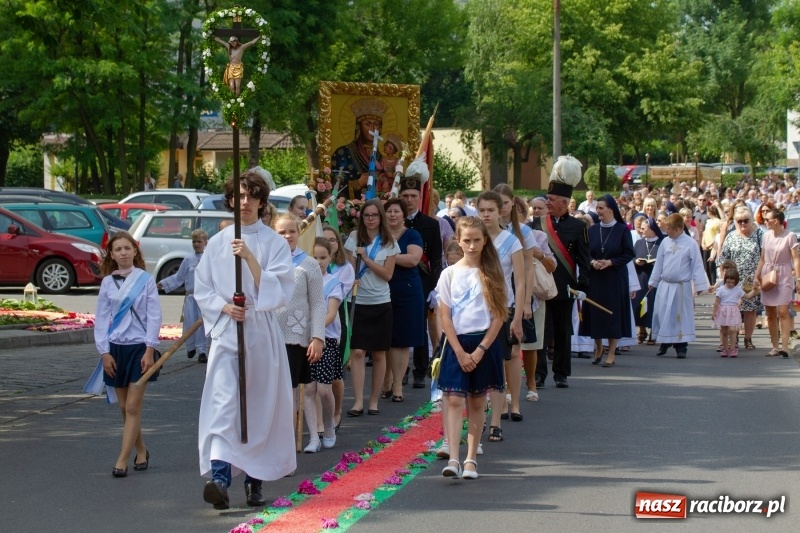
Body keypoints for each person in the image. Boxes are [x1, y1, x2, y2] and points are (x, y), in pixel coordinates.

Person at [194, 170, 295, 510]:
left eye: (252, 195)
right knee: (224, 404)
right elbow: (202, 286)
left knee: (258, 407)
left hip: (261, 333)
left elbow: (280, 290)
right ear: (231, 201)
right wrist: (224, 307)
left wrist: (250, 258)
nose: (246, 202)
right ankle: (220, 479)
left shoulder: (274, 242)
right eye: (239, 196)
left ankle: (255, 481)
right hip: (228, 333)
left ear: (262, 201)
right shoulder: (217, 244)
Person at [436, 216, 508, 480]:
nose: (472, 245)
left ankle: (470, 459)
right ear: (458, 240)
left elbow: (499, 316)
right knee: (454, 399)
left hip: (484, 343)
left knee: (477, 400)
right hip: (456, 343)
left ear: (485, 240)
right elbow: (445, 317)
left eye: (477, 240)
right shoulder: (449, 274)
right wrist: (458, 351)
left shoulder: (492, 272)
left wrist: (479, 350)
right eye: (466, 240)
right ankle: (453, 457)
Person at [92, 232, 161, 478]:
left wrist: (150, 349)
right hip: (115, 349)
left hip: (139, 348)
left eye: (127, 248)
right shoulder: (107, 283)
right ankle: (141, 449)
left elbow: (154, 315)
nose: (123, 253)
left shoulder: (146, 280)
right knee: (123, 406)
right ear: (111, 255)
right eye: (118, 249)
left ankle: (122, 460)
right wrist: (104, 352)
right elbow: (101, 319)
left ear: (135, 251)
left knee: (133, 406)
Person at [530, 156, 590, 388]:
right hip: (541, 285)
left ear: (564, 203)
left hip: (565, 286)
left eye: (552, 199)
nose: (548, 202)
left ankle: (562, 372)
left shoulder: (578, 226)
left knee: (563, 331)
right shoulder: (537, 224)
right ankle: (539, 373)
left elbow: (584, 260)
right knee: (541, 331)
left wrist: (583, 286)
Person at [274, 213, 326, 452]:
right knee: (272, 391)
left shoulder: (309, 264)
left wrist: (317, 337)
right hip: (268, 335)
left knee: (294, 391)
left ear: (299, 233)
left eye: (291, 232)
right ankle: (273, 441)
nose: (287, 236)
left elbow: (317, 303)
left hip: (295, 337)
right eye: (281, 232)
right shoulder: (266, 262)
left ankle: (300, 441)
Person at [477, 191, 524, 442]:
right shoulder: (474, 238)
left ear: (500, 211)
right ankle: (479, 418)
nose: (486, 215)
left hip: (502, 311)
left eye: (490, 210)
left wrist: (517, 318)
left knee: (497, 367)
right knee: (477, 367)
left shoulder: (511, 241)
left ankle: (495, 421)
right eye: (482, 210)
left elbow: (520, 279)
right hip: (475, 312)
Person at [344, 199, 399, 416]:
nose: (370, 219)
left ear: (380, 218)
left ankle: (374, 400)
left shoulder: (389, 243)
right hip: (357, 300)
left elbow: (387, 275)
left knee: (378, 354)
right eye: (366, 215)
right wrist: (351, 278)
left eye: (374, 215)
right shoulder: (354, 238)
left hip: (380, 302)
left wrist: (366, 258)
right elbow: (348, 268)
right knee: (357, 352)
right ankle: (358, 401)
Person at [580, 195, 635, 366]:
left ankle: (611, 352)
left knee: (612, 313)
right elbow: (586, 252)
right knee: (595, 313)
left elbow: (628, 253)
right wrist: (593, 262)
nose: (598, 211)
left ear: (611, 209)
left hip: (614, 278)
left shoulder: (622, 229)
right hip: (596, 277)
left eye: (601, 208)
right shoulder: (593, 230)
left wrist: (610, 262)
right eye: (597, 208)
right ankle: (598, 347)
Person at [400, 176, 443, 389]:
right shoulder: (393, 222)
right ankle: (400, 370)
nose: (409, 200)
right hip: (398, 278)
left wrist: (435, 287)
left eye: (413, 196)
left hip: (422, 280)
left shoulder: (430, 224)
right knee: (398, 326)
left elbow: (436, 257)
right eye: (405, 196)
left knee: (419, 325)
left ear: (420, 197)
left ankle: (419, 369)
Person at [648, 214, 709, 358]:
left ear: (676, 229)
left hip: (681, 287)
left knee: (679, 317)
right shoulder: (665, 242)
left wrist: (700, 285)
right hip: (665, 285)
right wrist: (653, 282)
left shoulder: (690, 243)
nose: (666, 232)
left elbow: (697, 265)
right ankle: (664, 342)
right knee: (663, 314)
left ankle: (681, 347)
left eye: (668, 229)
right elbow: (659, 264)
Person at [381, 198, 424, 402]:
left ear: (403, 214)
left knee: (402, 341)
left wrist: (384, 256)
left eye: (396, 211)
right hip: (382, 290)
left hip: (407, 291)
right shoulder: (380, 235)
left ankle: (398, 384)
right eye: (388, 211)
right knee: (386, 339)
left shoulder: (412, 234)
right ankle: (387, 379)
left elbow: (413, 259)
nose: (392, 215)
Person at [310, 237, 345, 449]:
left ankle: (330, 423)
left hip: (326, 339)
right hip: (304, 340)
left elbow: (331, 314)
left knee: (324, 389)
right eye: (314, 257)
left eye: (323, 257)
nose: (319, 261)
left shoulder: (333, 283)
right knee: (308, 389)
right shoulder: (302, 280)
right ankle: (314, 433)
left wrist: (316, 332)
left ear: (330, 257)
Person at [157, 229, 210, 363]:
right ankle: (190, 346)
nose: (196, 244)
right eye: (194, 241)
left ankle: (202, 351)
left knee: (202, 325)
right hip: (191, 297)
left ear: (206, 243)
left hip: (204, 298)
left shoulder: (210, 258)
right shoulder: (188, 259)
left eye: (199, 241)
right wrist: (164, 283)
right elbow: (179, 277)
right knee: (190, 322)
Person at [322, 225, 355, 430]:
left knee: (335, 376)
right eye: (324, 239)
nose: (328, 243)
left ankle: (337, 410)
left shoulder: (345, 267)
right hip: (312, 322)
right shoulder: (310, 265)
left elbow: (337, 297)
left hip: (335, 322)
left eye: (332, 240)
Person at [717, 206, 763, 351]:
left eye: (746, 220)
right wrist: (723, 278)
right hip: (733, 280)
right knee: (732, 308)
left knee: (750, 309)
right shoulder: (731, 236)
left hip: (752, 279)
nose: (743, 223)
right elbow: (723, 259)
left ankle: (748, 338)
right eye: (739, 221)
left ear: (751, 220)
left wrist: (760, 276)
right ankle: (732, 337)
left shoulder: (758, 235)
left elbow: (765, 256)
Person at [756, 209, 800, 357]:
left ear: (776, 221)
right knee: (770, 313)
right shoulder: (766, 236)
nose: (765, 222)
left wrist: (798, 278)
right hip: (768, 274)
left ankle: (785, 347)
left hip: (784, 274)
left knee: (783, 312)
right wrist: (757, 276)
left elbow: (795, 259)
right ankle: (775, 346)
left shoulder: (790, 236)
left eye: (768, 219)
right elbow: (762, 258)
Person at [332, 97, 388, 200]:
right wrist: (357, 183)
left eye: (376, 124)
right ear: (359, 127)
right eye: (367, 124)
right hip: (349, 210)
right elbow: (334, 183)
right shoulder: (342, 153)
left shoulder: (384, 158)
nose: (373, 129)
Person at [633, 217, 664, 344]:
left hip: (656, 278)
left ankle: (653, 333)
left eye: (643, 228)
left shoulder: (661, 242)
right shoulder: (639, 242)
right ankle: (642, 330)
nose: (641, 230)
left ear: (651, 229)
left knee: (653, 304)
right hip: (641, 277)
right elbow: (632, 256)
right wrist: (636, 261)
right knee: (639, 303)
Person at [713, 269, 755, 357]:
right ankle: (724, 349)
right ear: (725, 280)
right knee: (724, 331)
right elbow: (717, 302)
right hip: (723, 311)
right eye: (728, 282)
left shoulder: (738, 290)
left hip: (733, 311)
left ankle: (733, 349)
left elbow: (747, 296)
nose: (730, 284)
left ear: (736, 282)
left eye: (733, 282)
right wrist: (714, 312)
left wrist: (755, 291)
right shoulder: (721, 289)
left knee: (732, 330)